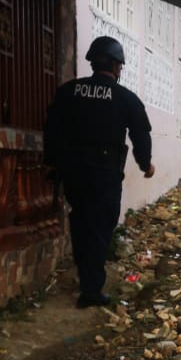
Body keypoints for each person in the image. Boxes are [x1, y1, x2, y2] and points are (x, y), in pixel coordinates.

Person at [44, 35, 155, 308]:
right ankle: (91, 290)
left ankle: (87, 278)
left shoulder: (68, 92)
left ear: (93, 62)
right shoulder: (126, 98)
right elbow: (141, 134)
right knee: (101, 228)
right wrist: (145, 164)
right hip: (104, 173)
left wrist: (53, 164)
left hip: (73, 170)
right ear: (117, 66)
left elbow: (52, 130)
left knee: (81, 222)